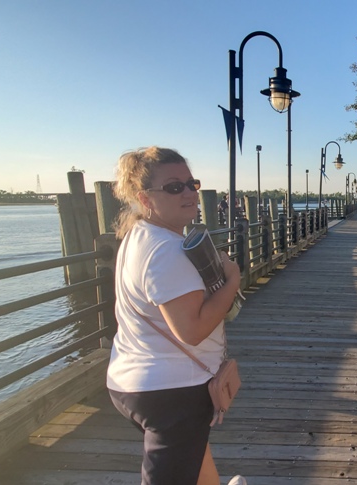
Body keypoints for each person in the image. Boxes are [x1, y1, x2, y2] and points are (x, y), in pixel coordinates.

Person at [107, 146, 246, 485]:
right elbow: (192, 330)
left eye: (191, 184)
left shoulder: (140, 235)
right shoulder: (167, 251)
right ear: (145, 198)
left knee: (193, 457)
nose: (188, 193)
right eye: (173, 187)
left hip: (134, 378)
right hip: (172, 393)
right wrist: (233, 280)